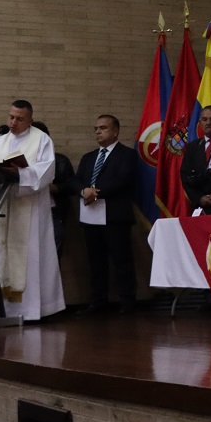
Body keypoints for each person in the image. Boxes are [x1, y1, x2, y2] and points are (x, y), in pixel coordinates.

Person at [0, 100, 65, 321]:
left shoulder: (41, 140)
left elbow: (45, 172)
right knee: (3, 255)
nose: (13, 122)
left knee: (32, 258)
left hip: (31, 210)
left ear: (30, 120)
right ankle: (6, 311)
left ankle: (32, 311)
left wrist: (19, 174)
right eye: (11, 117)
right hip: (5, 206)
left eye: (19, 119)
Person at [72, 115, 138, 315]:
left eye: (103, 128)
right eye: (96, 129)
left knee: (122, 260)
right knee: (96, 261)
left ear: (115, 131)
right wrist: (83, 191)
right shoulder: (89, 157)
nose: (98, 132)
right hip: (91, 216)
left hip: (115, 215)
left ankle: (127, 301)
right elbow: (76, 180)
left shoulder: (127, 155)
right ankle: (98, 301)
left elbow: (123, 180)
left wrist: (95, 192)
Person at [32, 121, 75, 255]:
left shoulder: (61, 161)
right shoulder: (20, 161)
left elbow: (72, 186)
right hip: (27, 211)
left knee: (53, 255)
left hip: (52, 212)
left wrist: (55, 188)